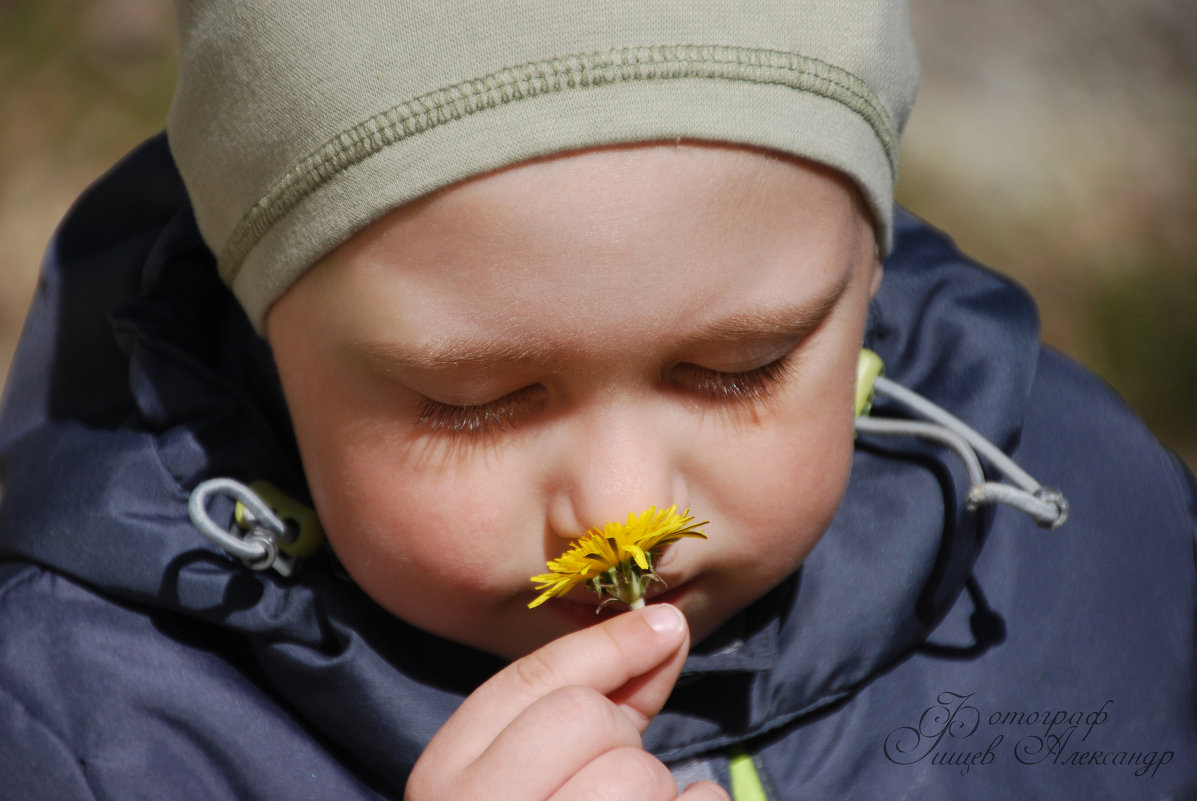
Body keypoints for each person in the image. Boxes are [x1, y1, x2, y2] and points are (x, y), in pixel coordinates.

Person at [0, 2, 1193, 799]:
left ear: (863, 278)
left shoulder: (1101, 539)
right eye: (473, 402)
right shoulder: (89, 729)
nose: (626, 515)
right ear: (266, 331)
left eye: (739, 369)